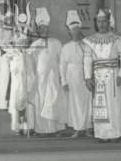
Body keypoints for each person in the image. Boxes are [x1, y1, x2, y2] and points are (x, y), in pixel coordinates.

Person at [82, 8, 121, 143]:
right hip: (97, 77)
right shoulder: (89, 40)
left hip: (113, 76)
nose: (101, 24)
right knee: (100, 105)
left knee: (114, 104)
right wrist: (88, 78)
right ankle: (102, 134)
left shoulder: (117, 39)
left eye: (104, 21)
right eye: (99, 21)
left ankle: (115, 133)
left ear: (109, 22)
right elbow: (87, 59)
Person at [28, 8, 67, 136]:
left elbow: (61, 61)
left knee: (53, 100)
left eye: (45, 28)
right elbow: (31, 64)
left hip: (53, 78)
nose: (43, 30)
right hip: (40, 78)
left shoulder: (56, 43)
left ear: (48, 29)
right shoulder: (34, 45)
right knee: (41, 101)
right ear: (38, 30)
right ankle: (42, 129)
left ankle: (56, 129)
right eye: (41, 28)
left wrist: (62, 77)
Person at [59, 10, 91, 138]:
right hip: (72, 77)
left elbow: (91, 61)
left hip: (86, 75)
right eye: (73, 30)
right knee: (75, 103)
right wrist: (64, 81)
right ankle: (77, 128)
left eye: (77, 29)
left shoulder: (87, 44)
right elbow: (62, 65)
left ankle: (88, 128)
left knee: (87, 102)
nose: (75, 32)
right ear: (69, 32)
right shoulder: (66, 47)